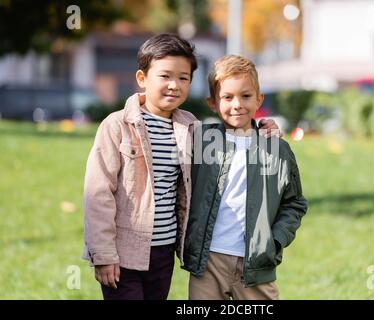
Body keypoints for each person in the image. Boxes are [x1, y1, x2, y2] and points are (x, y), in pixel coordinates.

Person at [82, 34, 280, 300]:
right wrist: (103, 254)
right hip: (124, 252)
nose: (174, 85)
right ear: (142, 79)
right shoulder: (116, 126)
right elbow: (98, 193)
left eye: (183, 78)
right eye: (165, 76)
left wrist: (262, 128)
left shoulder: (191, 127)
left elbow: (231, 134)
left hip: (163, 253)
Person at [182, 55, 308, 300]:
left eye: (246, 95)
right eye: (227, 97)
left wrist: (275, 242)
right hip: (208, 262)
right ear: (212, 102)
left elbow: (294, 203)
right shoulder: (198, 141)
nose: (237, 104)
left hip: (256, 263)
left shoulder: (276, 148)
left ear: (259, 98)